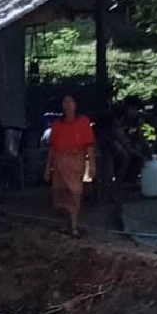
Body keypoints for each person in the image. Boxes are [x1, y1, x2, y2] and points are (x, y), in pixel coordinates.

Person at [45, 92, 96, 236]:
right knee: (60, 194)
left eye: (69, 102)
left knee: (74, 192)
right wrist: (47, 168)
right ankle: (64, 224)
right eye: (64, 102)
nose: (66, 105)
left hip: (76, 161)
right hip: (59, 162)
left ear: (76, 104)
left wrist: (92, 165)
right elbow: (52, 148)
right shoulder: (57, 124)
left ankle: (73, 226)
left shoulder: (84, 122)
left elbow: (89, 146)